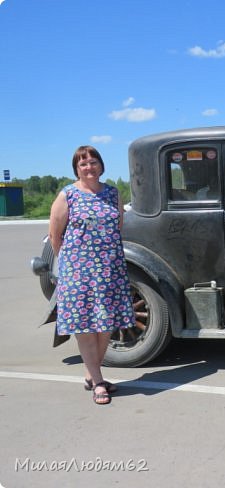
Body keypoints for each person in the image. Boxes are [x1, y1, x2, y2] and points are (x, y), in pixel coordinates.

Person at [48, 146, 134, 405]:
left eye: (93, 162)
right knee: (85, 326)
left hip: (110, 269)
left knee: (105, 325)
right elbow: (55, 235)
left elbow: (117, 227)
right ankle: (98, 382)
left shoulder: (112, 194)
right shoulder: (68, 195)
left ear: (101, 165)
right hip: (78, 271)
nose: (89, 167)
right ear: (76, 168)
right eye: (83, 164)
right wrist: (70, 263)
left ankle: (90, 374)